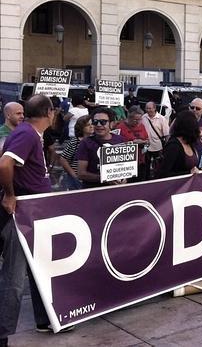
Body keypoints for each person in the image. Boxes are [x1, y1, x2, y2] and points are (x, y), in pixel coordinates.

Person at [0, 95, 74, 345]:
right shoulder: (27, 134)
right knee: (14, 279)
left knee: (39, 269)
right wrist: (10, 195)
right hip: (20, 216)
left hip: (33, 214)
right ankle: (2, 335)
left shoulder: (31, 134)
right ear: (49, 113)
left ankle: (45, 318)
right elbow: (4, 164)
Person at [76, 108, 125, 188]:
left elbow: (125, 167)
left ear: (111, 124)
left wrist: (124, 178)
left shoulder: (120, 140)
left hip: (116, 190)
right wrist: (105, 178)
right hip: (93, 191)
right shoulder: (85, 143)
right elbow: (81, 174)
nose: (98, 125)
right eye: (95, 122)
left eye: (103, 122)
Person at [156, 110, 200, 178]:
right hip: (176, 187)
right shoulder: (173, 146)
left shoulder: (189, 142)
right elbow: (163, 174)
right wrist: (188, 173)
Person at [59, 115, 93, 190]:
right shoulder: (75, 142)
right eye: (88, 125)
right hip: (76, 179)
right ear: (81, 128)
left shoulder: (95, 140)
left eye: (92, 124)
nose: (91, 126)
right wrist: (74, 175)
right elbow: (63, 159)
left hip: (90, 178)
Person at [116, 106, 150, 181]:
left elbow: (147, 140)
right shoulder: (120, 128)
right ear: (129, 118)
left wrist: (144, 142)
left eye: (140, 119)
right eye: (135, 120)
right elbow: (116, 146)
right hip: (128, 164)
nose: (138, 122)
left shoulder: (141, 126)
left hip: (141, 160)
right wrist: (132, 143)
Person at [142, 101, 170, 180]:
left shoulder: (162, 119)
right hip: (146, 147)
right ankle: (146, 180)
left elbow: (166, 134)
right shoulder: (143, 117)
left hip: (158, 147)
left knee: (158, 166)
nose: (148, 110)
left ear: (154, 108)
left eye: (150, 108)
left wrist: (166, 147)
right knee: (146, 166)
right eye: (147, 108)